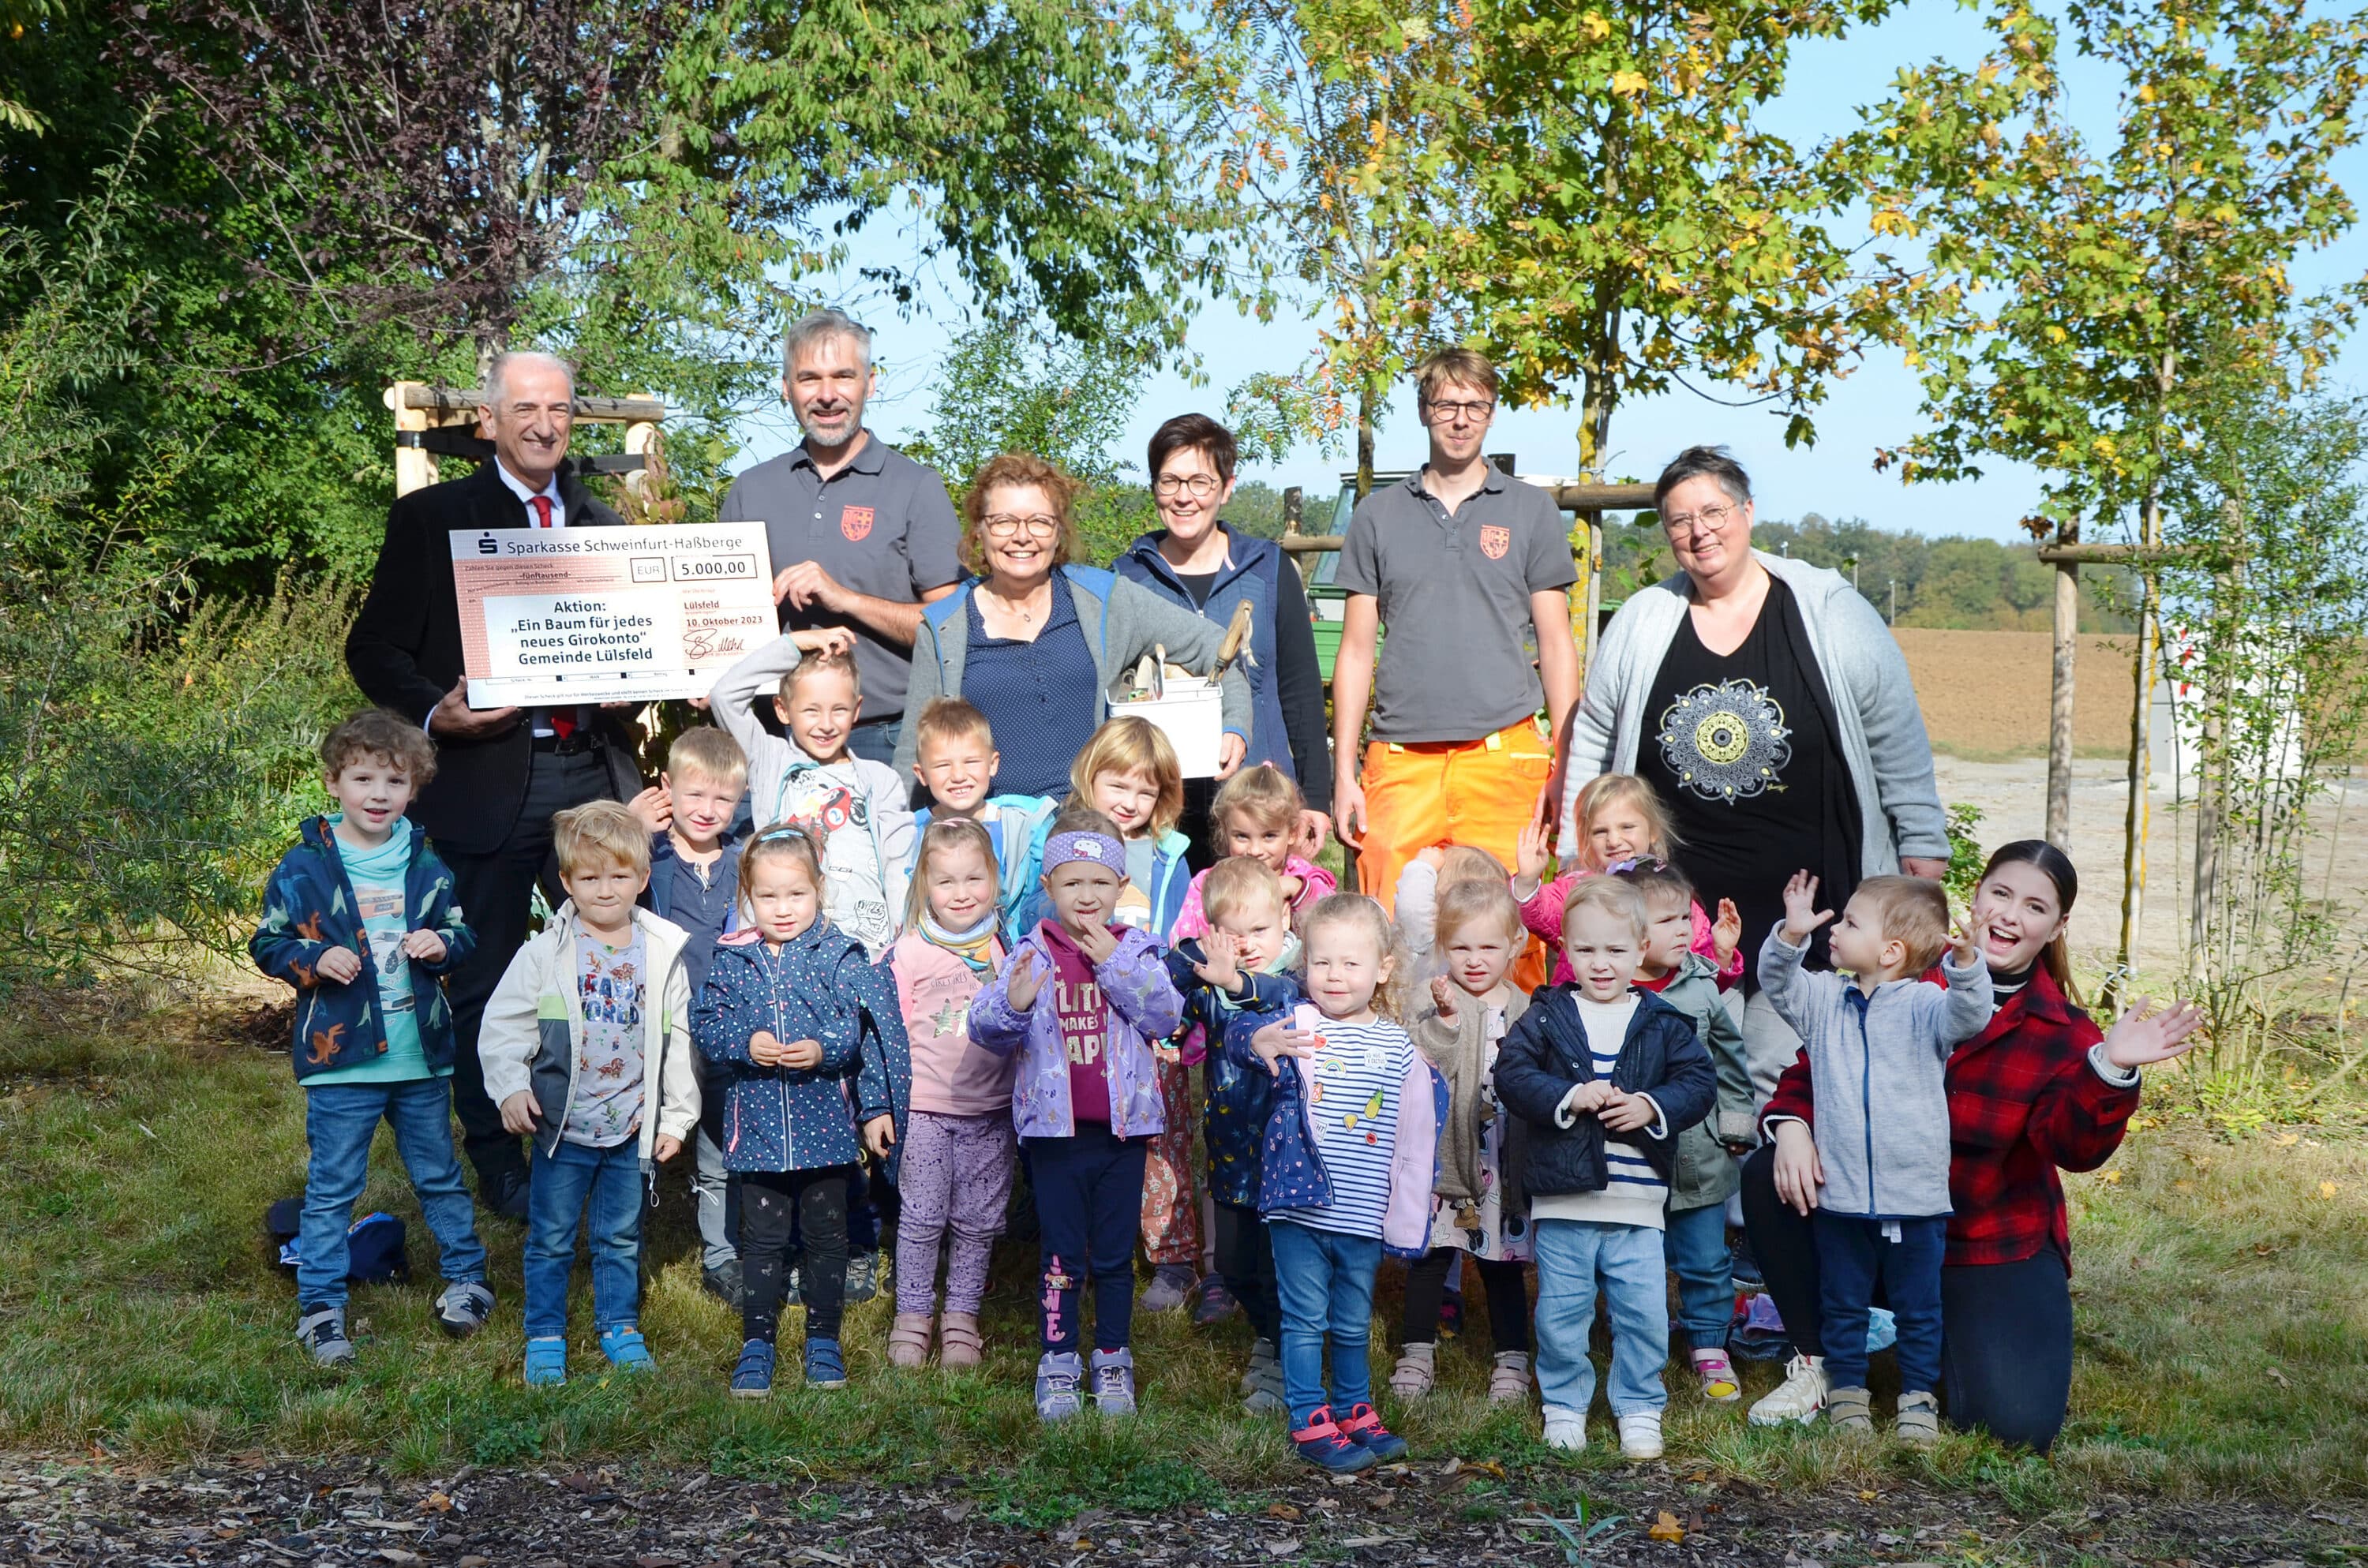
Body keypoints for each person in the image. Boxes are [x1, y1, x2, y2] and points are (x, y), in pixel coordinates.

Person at [1742, 841, 2205, 1451]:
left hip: (1984, 1238)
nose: (2012, 915)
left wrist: (2111, 1066)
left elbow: (2072, 1146)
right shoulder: (1896, 970)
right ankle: (1824, 1359)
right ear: (1977, 895)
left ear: (2057, 926)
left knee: (2012, 1426)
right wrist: (1794, 1125)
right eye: (2002, 894)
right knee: (1766, 1174)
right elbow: (1817, 1063)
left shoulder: (2059, 1030)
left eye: (2035, 906)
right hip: (1858, 1205)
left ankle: (1927, 1353)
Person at [347, 350, 646, 1220]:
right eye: (525, 409)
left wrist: (637, 675)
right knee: (481, 981)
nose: (545, 424)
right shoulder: (433, 517)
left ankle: (598, 1144)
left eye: (558, 409)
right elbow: (373, 650)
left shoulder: (605, 528)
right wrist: (434, 716)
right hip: (483, 779)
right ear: (491, 419)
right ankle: (498, 1161)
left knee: (608, 969)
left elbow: (636, 656)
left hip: (591, 773)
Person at [1557, 444, 1948, 1099]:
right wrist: (1577, 849)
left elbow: (1894, 727)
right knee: (1680, 1060)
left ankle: (1764, 1196)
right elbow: (1595, 731)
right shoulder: (1644, 619)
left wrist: (1922, 836)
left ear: (1747, 511)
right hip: (1675, 907)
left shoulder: (1827, 607)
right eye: (1679, 520)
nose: (1699, 530)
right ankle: (1694, 1199)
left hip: (1806, 900)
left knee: (1780, 1065)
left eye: (1713, 511)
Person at [250, 709, 490, 1368]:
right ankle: (321, 1306)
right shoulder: (304, 866)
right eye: (363, 778)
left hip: (419, 1056)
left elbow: (462, 931)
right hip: (343, 1063)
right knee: (333, 1186)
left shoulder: (426, 861)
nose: (378, 793)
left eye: (395, 780)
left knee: (439, 1174)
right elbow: (267, 941)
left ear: (414, 788)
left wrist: (441, 942)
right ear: (334, 782)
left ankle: (468, 1279)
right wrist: (313, 958)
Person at [1331, 346, 1580, 910]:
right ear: (1423, 411)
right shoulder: (1377, 514)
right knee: (1387, 932)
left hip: (1504, 755)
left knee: (1513, 934)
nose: (1461, 418)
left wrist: (1567, 761)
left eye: (1475, 405)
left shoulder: (1531, 510)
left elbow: (1557, 642)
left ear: (1492, 413)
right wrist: (1344, 771)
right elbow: (1354, 650)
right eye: (1446, 404)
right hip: (1399, 759)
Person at [1755, 870, 1990, 1444]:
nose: (1836, 926)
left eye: (1852, 921)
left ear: (1891, 951)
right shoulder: (1824, 1000)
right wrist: (1790, 934)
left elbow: (1970, 1016)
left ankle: (1917, 1397)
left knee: (1919, 1307)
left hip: (1915, 1198)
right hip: (1842, 1195)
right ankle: (1848, 1395)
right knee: (1843, 1303)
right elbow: (1776, 983)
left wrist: (1965, 963)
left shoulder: (1926, 1006)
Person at [968, 816, 1186, 1422]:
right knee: (1062, 1256)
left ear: (1121, 886)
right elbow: (981, 1026)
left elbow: (1166, 1014)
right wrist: (1012, 1004)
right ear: (1048, 885)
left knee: (1114, 1255)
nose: (1086, 896)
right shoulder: (1030, 951)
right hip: (1054, 1137)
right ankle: (1058, 1360)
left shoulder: (1138, 949)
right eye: (1071, 883)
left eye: (1099, 882)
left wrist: (1114, 959)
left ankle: (1112, 1357)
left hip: (1122, 1133)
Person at [476, 802, 701, 1387]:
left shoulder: (661, 953)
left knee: (620, 1234)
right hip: (561, 1128)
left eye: (620, 876)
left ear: (642, 879)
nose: (606, 889)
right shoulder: (545, 954)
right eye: (590, 877)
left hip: (629, 1126)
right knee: (550, 1237)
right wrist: (510, 1088)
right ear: (567, 881)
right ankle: (545, 1332)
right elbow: (502, 1027)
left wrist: (677, 1116)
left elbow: (678, 1040)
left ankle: (619, 1324)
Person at [1492, 878, 1714, 1460]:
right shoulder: (1548, 1014)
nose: (1601, 963)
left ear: (1641, 948)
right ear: (1565, 947)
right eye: (1586, 949)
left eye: (1615, 950)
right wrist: (1568, 1095)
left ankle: (1639, 1404)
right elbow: (1512, 1074)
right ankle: (1564, 1403)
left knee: (1641, 1311)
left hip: (1637, 1200)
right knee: (1562, 1310)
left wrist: (1651, 1105)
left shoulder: (1662, 1021)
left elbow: (1698, 1083)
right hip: (1565, 1197)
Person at [894, 452, 1253, 799]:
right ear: (979, 532)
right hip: (991, 837)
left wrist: (1235, 723)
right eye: (1004, 521)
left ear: (1058, 532)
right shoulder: (945, 627)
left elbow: (1216, 644)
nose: (1022, 536)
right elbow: (915, 746)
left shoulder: (1104, 600)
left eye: (1040, 521)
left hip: (1093, 828)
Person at [695, 825, 910, 1398]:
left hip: (826, 1131)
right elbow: (708, 1024)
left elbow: (857, 1027)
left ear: (819, 890)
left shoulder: (837, 954)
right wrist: (747, 1040)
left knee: (826, 1235)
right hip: (760, 1129)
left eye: (796, 894)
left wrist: (822, 1048)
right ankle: (757, 1341)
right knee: (761, 1240)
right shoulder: (733, 959)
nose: (783, 908)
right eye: (768, 896)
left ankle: (822, 1338)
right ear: (748, 896)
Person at [1237, 894, 1441, 1474]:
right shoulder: (1297, 1023)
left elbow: (1417, 1133)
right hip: (1300, 1208)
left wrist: (1407, 1213)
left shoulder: (1398, 1044)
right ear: (1305, 966)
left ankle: (1355, 1408)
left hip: (1363, 1212)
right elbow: (1238, 1032)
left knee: (1353, 1317)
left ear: (1383, 968)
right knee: (1305, 1317)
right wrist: (1257, 1041)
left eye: (1351, 963)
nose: (1335, 976)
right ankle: (1308, 1416)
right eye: (1322, 962)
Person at [720, 308, 965, 766]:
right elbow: (718, 618)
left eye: (844, 377)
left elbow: (952, 628)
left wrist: (845, 599)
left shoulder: (916, 487)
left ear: (870, 383)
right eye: (810, 378)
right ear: (786, 388)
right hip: (775, 738)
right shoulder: (751, 490)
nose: (828, 395)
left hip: (885, 738)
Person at [1115, 414, 1332, 865]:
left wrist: (1316, 797)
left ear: (1227, 487)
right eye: (1169, 481)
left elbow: (1300, 690)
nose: (1183, 496)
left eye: (1200, 481)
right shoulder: (1128, 577)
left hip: (1256, 808)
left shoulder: (1268, 570)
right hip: (1158, 809)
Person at [1163, 856, 1306, 1409]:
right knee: (1232, 1264)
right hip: (1229, 1152)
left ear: (1285, 920)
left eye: (1259, 931)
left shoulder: (1295, 976)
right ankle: (1274, 1331)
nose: (1247, 944)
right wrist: (1194, 954)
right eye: (1232, 933)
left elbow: (1273, 994)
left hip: (1286, 1157)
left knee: (1275, 1268)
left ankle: (1279, 1350)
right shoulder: (1213, 978)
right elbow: (1169, 984)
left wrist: (1235, 979)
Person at [1612, 859, 1755, 1405]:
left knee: (1705, 1258)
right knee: (1637, 1258)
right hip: (1630, 1158)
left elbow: (1730, 1057)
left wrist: (1735, 1125)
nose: (1684, 930)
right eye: (1667, 920)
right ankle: (1639, 1335)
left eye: (1684, 917)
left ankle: (1708, 1345)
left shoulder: (1700, 987)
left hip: (1699, 1153)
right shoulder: (1611, 991)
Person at [884, 818, 1019, 1370]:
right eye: (946, 882)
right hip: (927, 1111)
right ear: (925, 885)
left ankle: (961, 1314)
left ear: (994, 878)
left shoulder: (1006, 947)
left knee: (977, 1219)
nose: (961, 893)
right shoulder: (911, 951)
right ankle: (913, 1314)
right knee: (921, 1216)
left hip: (992, 1110)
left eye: (974, 878)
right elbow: (892, 1032)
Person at [1395, 877, 1536, 1405]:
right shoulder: (1433, 1000)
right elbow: (1424, 1061)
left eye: (1488, 946)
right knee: (1431, 1254)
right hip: (1445, 1156)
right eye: (1460, 947)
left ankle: (1512, 1358)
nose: (1474, 959)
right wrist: (1447, 1021)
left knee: (1502, 1262)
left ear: (1514, 943)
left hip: (1502, 1157)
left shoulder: (1528, 1009)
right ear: (1442, 946)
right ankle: (1416, 1348)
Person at [629, 726, 751, 1310]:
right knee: (641, 1134)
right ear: (666, 789)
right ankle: (621, 1244)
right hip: (661, 1027)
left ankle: (721, 1251)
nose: (708, 810)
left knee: (720, 1143)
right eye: (694, 795)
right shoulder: (646, 859)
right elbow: (582, 870)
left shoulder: (744, 861)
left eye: (722, 798)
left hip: (724, 1027)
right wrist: (630, 826)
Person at [710, 630, 916, 960]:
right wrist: (793, 645)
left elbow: (898, 864)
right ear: (782, 709)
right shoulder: (769, 760)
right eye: (811, 710)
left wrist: (901, 936)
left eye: (838, 710)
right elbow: (725, 695)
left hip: (866, 948)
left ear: (857, 708)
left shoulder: (881, 780)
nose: (826, 724)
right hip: (783, 948)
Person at [1514, 774, 1741, 986]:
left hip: (1656, 1019)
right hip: (1584, 1014)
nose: (1614, 840)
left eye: (1627, 827)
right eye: (1600, 832)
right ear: (1585, 839)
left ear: (1652, 831)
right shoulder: (1578, 891)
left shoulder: (1671, 894)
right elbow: (1537, 912)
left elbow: (1703, 980)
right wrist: (1527, 880)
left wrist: (1721, 954)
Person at [908, 696, 1058, 941]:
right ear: (922, 774)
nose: (958, 775)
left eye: (971, 762)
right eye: (943, 765)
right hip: (937, 958)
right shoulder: (909, 834)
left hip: (1014, 951)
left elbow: (1047, 894)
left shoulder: (1023, 827)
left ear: (993, 764)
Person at [1170, 763, 1338, 941]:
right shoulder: (1208, 884)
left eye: (1269, 836)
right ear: (1225, 832)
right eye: (1242, 836)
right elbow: (1181, 939)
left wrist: (1295, 887)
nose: (1255, 850)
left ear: (1292, 833)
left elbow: (1337, 918)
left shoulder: (1301, 875)